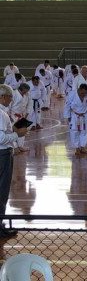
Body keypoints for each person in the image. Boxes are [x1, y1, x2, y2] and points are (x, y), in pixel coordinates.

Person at [0, 84, 28, 237]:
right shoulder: (1, 114)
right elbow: (1, 138)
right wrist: (17, 134)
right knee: (2, 190)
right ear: (3, 97)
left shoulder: (3, 113)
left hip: (3, 153)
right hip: (2, 154)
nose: (11, 100)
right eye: (10, 97)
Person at [64, 84, 87, 156]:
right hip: (74, 116)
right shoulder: (72, 94)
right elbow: (67, 105)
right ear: (79, 89)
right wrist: (68, 116)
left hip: (84, 115)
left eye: (85, 93)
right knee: (74, 132)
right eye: (82, 93)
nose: (83, 95)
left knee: (84, 131)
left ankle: (82, 147)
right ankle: (77, 148)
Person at [8, 83, 32, 154]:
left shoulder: (27, 95)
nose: (26, 92)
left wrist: (26, 115)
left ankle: (21, 146)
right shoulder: (13, 94)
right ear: (22, 89)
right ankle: (15, 147)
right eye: (25, 91)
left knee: (22, 131)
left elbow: (29, 104)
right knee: (12, 131)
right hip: (13, 116)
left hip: (22, 115)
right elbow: (9, 105)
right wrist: (9, 116)